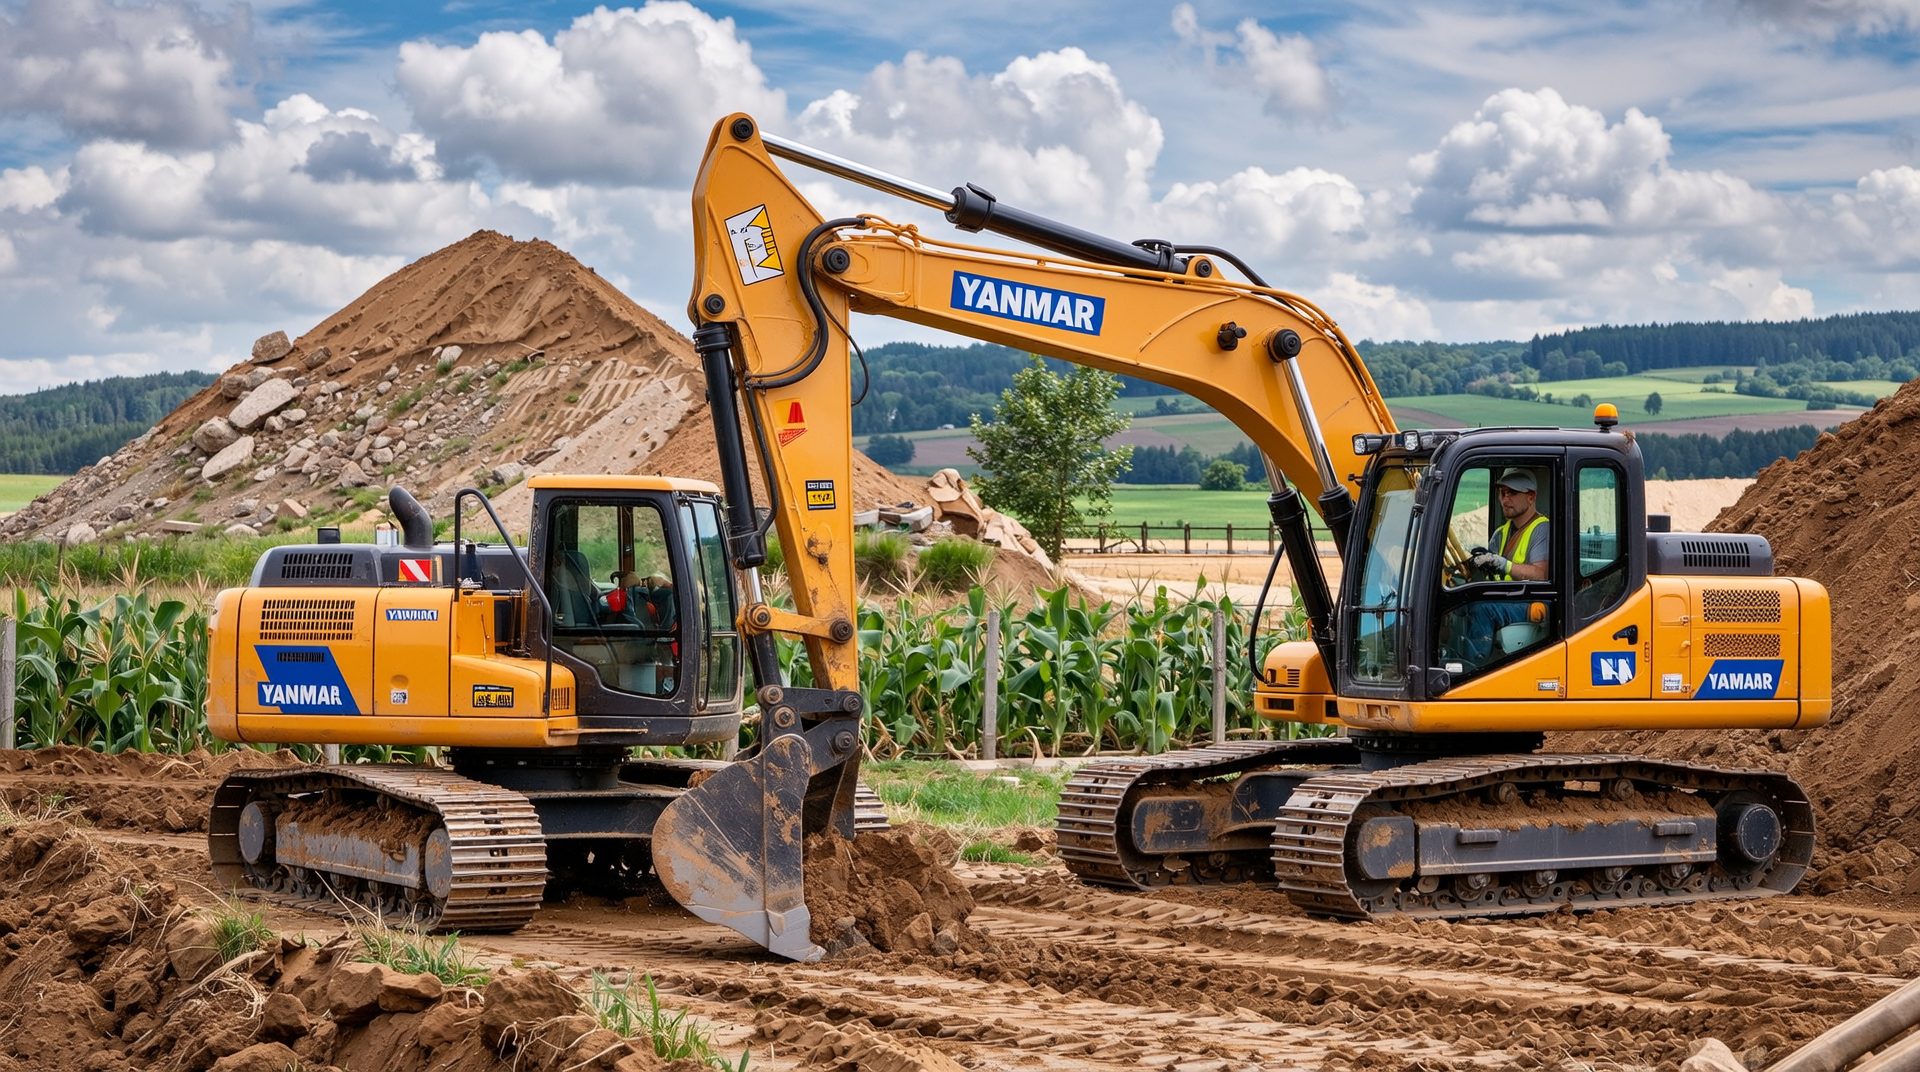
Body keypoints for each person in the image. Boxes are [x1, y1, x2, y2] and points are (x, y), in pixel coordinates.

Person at [1473, 468, 1549, 582]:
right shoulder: (1500, 533)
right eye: (1502, 493)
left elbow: (1540, 574)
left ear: (1531, 497)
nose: (1505, 499)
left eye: (1512, 492)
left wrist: (1505, 565)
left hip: (1524, 598)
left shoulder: (1543, 529)